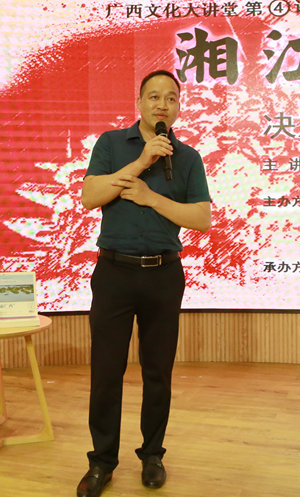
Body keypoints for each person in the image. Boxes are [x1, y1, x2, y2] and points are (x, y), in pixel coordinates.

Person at [76, 69, 212, 497]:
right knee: (106, 372)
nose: (161, 104)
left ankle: (152, 455)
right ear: (139, 103)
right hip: (114, 273)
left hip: (163, 275)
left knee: (158, 371)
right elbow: (90, 196)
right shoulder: (111, 144)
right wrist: (141, 164)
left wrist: (152, 197)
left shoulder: (188, 158)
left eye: (170, 98)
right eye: (154, 96)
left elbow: (201, 219)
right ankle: (101, 462)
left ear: (178, 107)